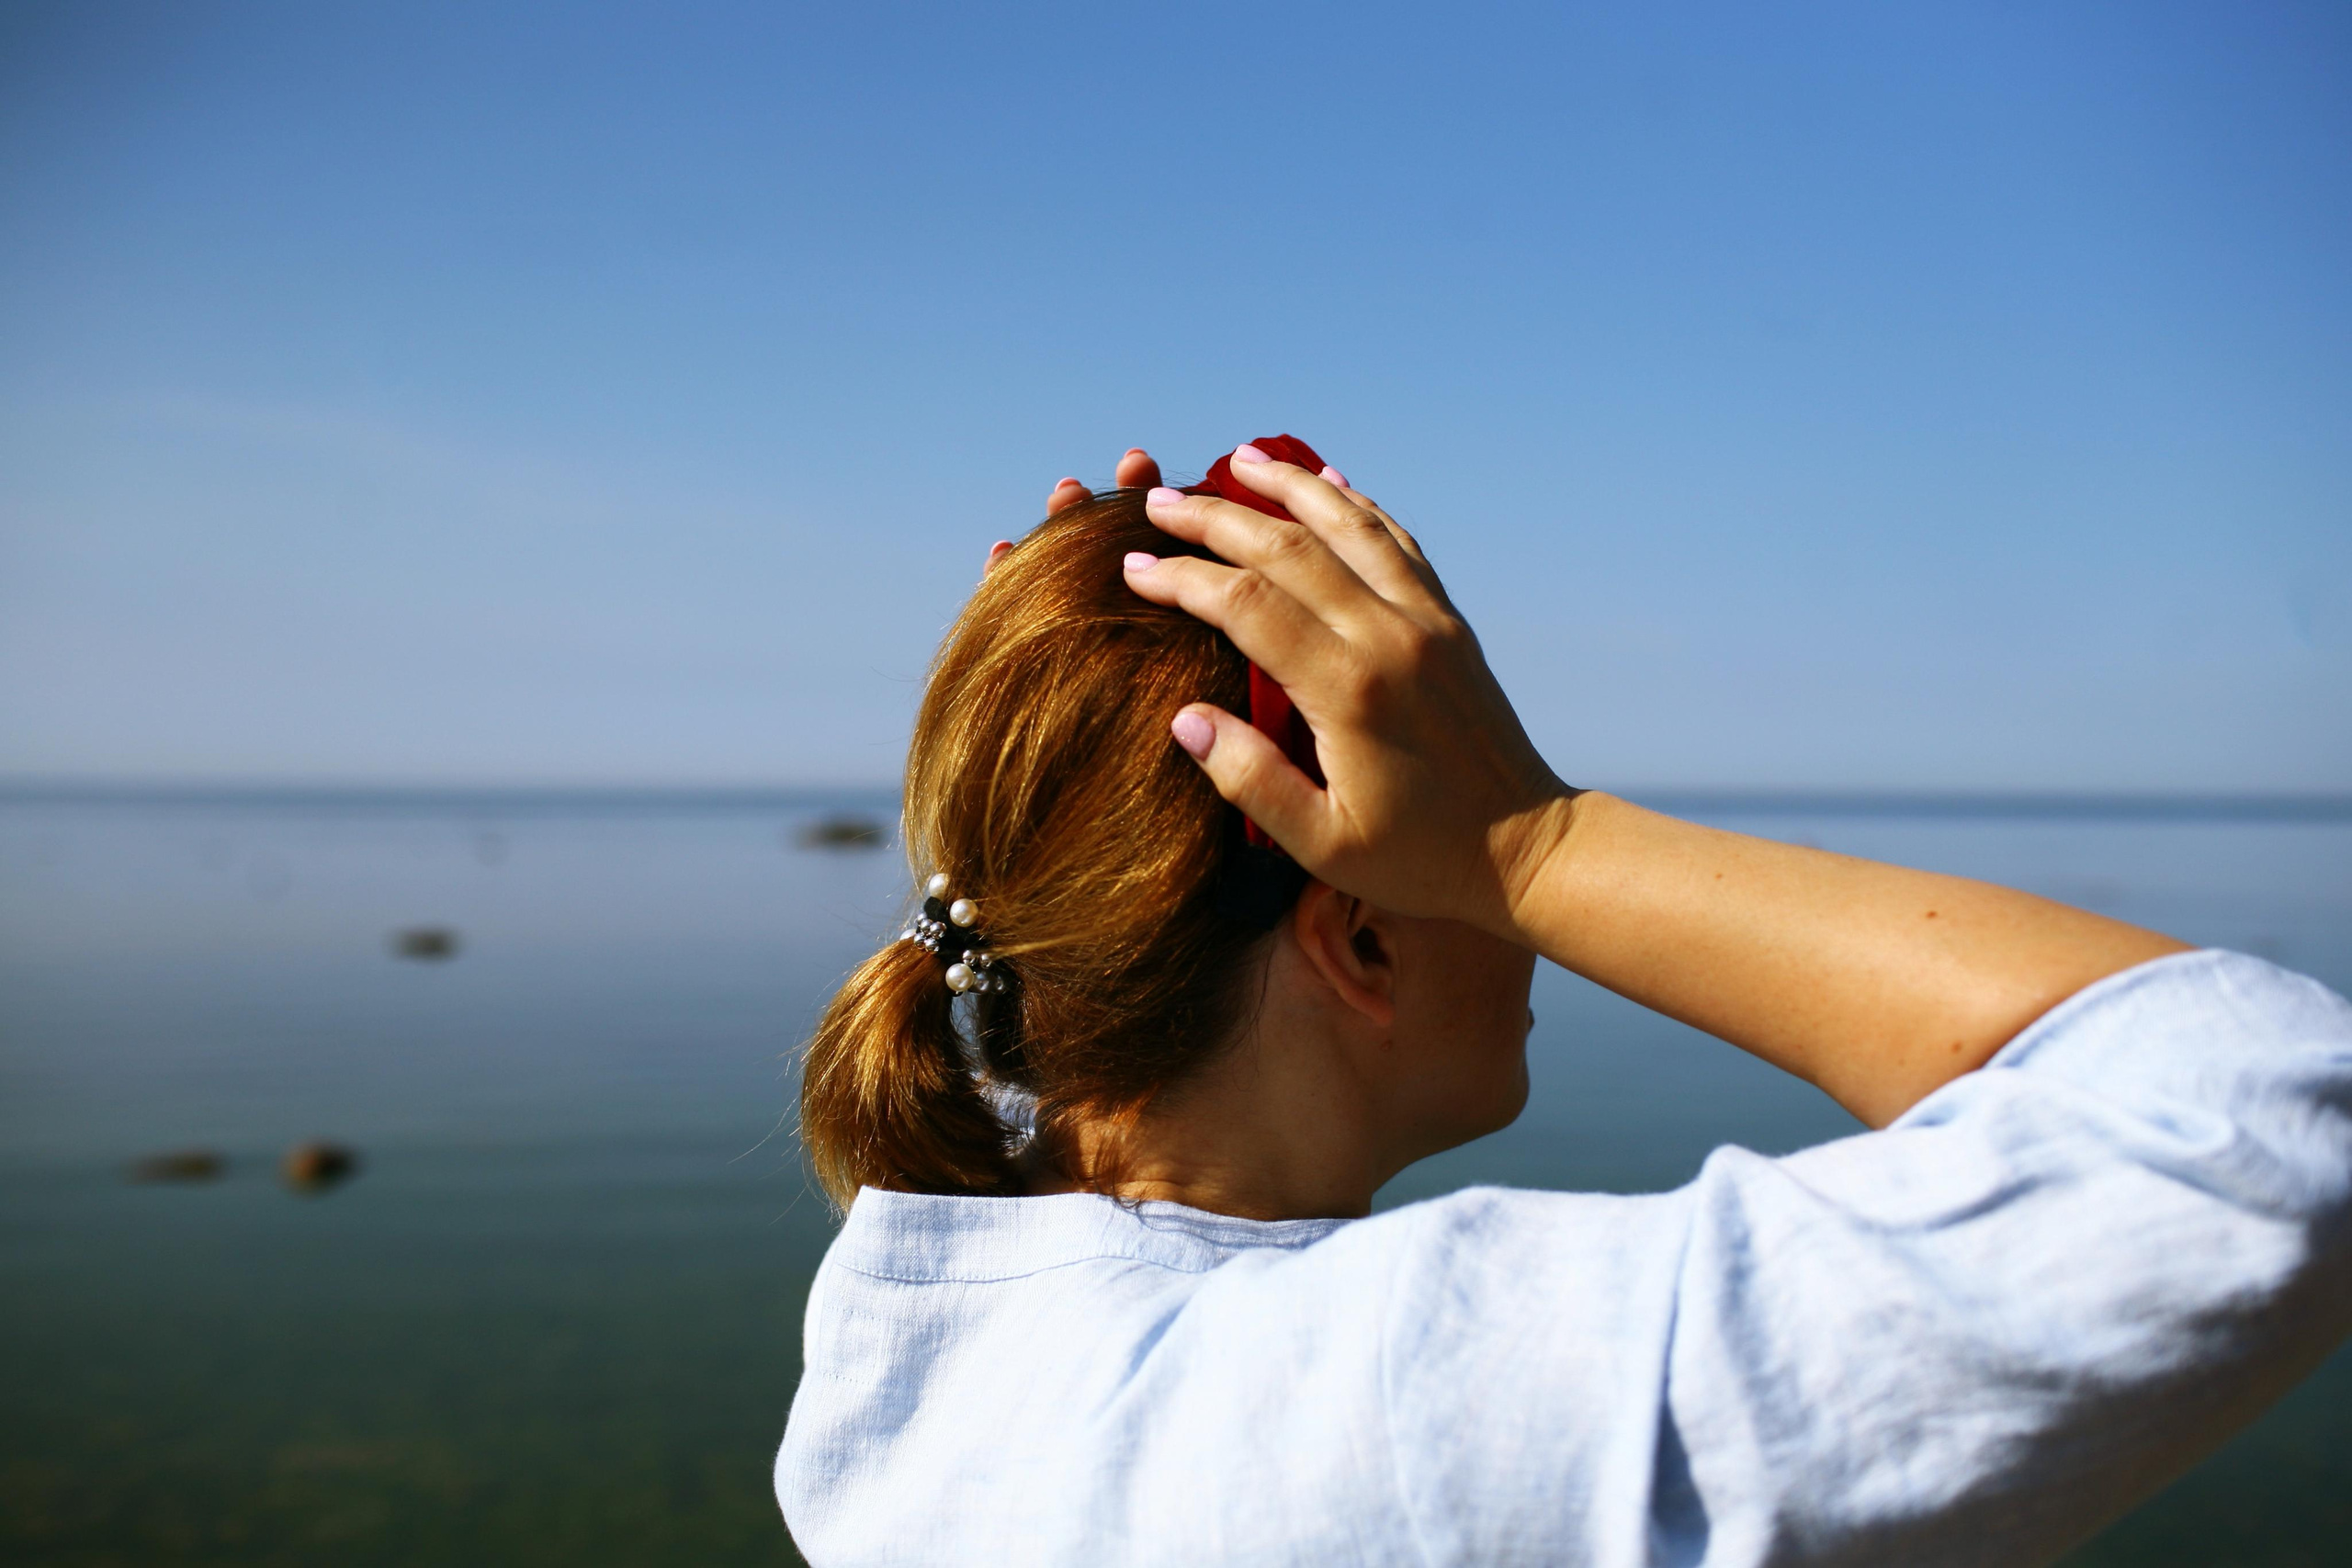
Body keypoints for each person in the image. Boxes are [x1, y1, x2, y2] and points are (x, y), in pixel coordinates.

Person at [776, 443, 2352, 1566]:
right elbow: (2256, 1127)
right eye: (1451, 774)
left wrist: (1043, 712)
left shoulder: (906, 1344)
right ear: (1367, 945)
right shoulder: (1397, 1408)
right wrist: (1537, 841)